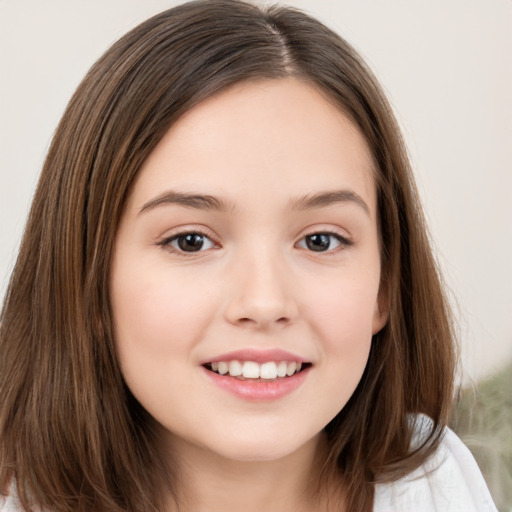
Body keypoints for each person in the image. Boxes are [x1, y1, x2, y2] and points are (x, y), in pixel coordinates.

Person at [0, 1, 498, 511]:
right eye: (190, 240)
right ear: (86, 277)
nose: (263, 302)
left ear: (385, 286)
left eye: (320, 240)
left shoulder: (432, 482)